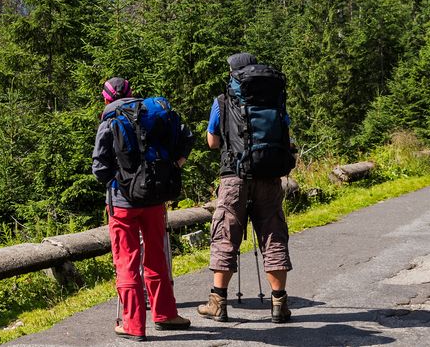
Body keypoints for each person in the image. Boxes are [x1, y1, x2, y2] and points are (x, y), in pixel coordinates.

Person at [92, 77, 194, 340]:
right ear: (131, 92)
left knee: (127, 260)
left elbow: (99, 168)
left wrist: (118, 183)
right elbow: (185, 136)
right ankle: (166, 315)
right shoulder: (151, 112)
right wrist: (174, 166)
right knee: (156, 257)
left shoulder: (110, 120)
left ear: (106, 99)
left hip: (123, 203)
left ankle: (133, 325)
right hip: (154, 198)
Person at [198, 52, 295, 324]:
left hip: (234, 176)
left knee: (225, 234)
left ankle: (218, 302)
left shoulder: (223, 101)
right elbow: (285, 134)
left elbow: (212, 142)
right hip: (269, 176)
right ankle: (279, 304)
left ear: (234, 73)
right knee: (273, 233)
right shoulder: (275, 99)